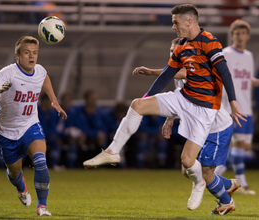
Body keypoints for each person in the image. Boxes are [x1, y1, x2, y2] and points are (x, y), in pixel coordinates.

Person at [83, 4, 246, 213]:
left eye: (175, 22)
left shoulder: (209, 42)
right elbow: (169, 74)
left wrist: (233, 101)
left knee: (190, 164)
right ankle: (113, 152)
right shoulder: (181, 46)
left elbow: (224, 72)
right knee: (137, 105)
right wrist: (147, 97)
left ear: (189, 21)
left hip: (206, 110)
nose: (172, 27)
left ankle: (219, 196)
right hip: (184, 99)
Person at [133, 38, 241, 215]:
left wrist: (152, 72)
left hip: (217, 128)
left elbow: (181, 74)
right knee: (187, 169)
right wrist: (170, 119)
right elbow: (181, 100)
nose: (173, 54)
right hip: (200, 128)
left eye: (176, 51)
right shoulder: (179, 73)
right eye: (171, 50)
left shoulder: (194, 69)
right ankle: (227, 185)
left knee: (204, 173)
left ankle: (226, 202)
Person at [0, 36, 67, 216]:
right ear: (17, 56)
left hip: (30, 125)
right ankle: (21, 186)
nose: (32, 56)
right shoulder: (8, 73)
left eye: (35, 53)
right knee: (14, 173)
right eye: (27, 53)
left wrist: (54, 101)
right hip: (7, 132)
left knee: (40, 161)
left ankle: (42, 206)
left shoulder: (40, 71)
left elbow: (44, 79)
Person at [215, 19, 259, 195]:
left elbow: (246, 80)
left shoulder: (248, 56)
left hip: (246, 108)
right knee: (234, 144)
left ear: (247, 36)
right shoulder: (225, 54)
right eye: (236, 33)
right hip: (229, 108)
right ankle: (217, 178)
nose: (239, 36)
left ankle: (222, 179)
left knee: (242, 147)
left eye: (242, 33)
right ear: (231, 35)